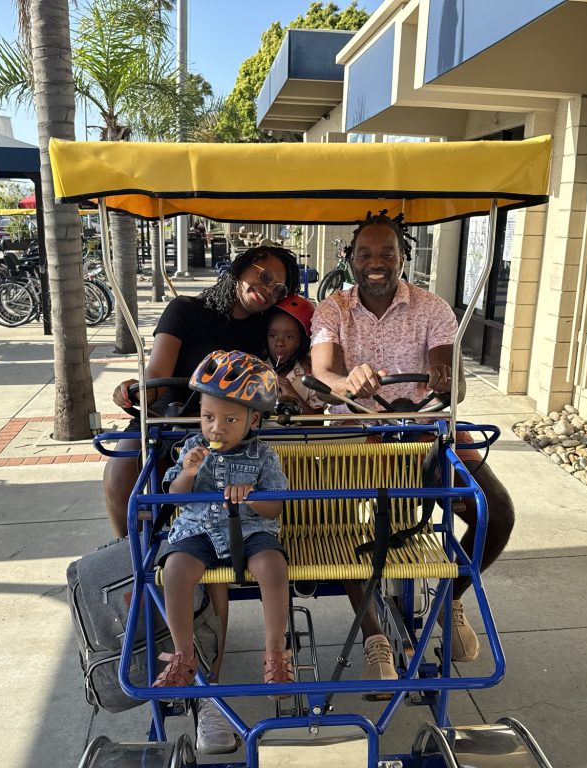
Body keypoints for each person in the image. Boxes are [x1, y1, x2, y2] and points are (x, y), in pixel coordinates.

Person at [103, 245, 299, 753]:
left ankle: (215, 681)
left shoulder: (264, 330)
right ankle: (136, 559)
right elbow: (156, 379)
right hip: (178, 427)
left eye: (279, 286)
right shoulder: (187, 311)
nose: (268, 289)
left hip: (236, 459)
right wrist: (139, 395)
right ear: (238, 269)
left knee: (230, 571)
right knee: (122, 468)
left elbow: (283, 367)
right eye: (262, 275)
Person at [310, 211, 516, 680]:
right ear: (350, 259)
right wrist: (348, 382)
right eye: (366, 253)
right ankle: (374, 636)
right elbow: (323, 373)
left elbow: (451, 381)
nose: (376, 262)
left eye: (387, 253)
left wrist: (445, 379)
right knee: (337, 530)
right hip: (354, 435)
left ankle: (452, 597)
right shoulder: (333, 309)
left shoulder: (433, 308)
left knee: (496, 511)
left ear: (404, 258)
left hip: (423, 431)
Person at [156, 350, 294, 694]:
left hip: (250, 531)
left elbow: (275, 507)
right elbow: (174, 496)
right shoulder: (191, 447)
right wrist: (188, 472)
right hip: (198, 530)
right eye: (208, 417)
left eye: (230, 420)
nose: (217, 427)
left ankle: (275, 652)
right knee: (174, 571)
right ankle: (183, 655)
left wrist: (253, 497)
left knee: (273, 566)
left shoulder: (263, 455)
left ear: (254, 421)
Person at [266, 294, 323, 415]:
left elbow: (318, 422)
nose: (279, 343)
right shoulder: (255, 371)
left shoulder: (310, 375)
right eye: (272, 336)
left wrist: (291, 393)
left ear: (301, 343)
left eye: (289, 337)